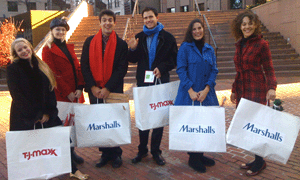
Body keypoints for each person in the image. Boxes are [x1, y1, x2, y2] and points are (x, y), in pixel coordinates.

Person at [7, 38, 88, 179]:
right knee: (30, 148)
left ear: (30, 47)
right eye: (19, 50)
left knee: (61, 140)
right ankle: (31, 172)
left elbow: (51, 90)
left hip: (48, 112)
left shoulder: (41, 65)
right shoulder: (13, 69)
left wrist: (49, 112)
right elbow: (17, 95)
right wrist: (37, 115)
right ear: (15, 53)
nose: (24, 51)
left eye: (25, 47)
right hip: (25, 115)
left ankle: (73, 170)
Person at [126, 7, 177, 166]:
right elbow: (133, 60)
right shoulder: (139, 37)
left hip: (161, 81)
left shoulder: (167, 37)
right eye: (145, 18)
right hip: (144, 82)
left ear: (157, 17)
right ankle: (142, 150)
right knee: (144, 117)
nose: (148, 20)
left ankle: (156, 151)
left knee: (159, 117)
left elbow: (174, 60)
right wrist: (132, 48)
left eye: (151, 17)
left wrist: (162, 68)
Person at [230, 11, 277, 176]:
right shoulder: (239, 44)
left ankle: (260, 162)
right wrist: (234, 90)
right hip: (242, 91)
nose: (246, 26)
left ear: (255, 25)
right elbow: (239, 71)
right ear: (240, 27)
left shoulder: (262, 44)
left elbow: (269, 69)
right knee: (248, 127)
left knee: (256, 127)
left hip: (256, 91)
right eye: (243, 24)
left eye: (250, 23)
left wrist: (272, 87)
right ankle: (257, 159)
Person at [80, 9, 128, 168]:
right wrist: (92, 87)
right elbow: (84, 66)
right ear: (100, 22)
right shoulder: (89, 41)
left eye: (110, 20)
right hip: (94, 91)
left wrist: (107, 87)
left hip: (113, 90)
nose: (107, 23)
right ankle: (105, 154)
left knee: (114, 122)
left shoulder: (121, 44)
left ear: (115, 22)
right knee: (100, 122)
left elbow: (122, 68)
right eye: (104, 20)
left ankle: (116, 154)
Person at [174, 19, 218, 173]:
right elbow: (181, 69)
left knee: (203, 124)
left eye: (200, 28)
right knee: (192, 124)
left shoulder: (209, 49)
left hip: (206, 94)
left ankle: (200, 154)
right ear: (190, 31)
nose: (197, 31)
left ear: (203, 30)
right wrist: (190, 90)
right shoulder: (185, 48)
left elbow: (214, 70)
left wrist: (207, 89)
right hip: (189, 94)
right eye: (194, 29)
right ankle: (193, 157)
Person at [42, 17, 86, 172]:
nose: (60, 32)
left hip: (75, 93)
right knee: (63, 127)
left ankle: (72, 152)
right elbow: (51, 74)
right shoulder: (47, 49)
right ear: (52, 31)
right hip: (62, 95)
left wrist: (80, 87)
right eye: (57, 29)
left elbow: (77, 68)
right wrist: (67, 92)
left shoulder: (69, 47)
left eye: (63, 30)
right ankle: (66, 155)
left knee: (73, 126)